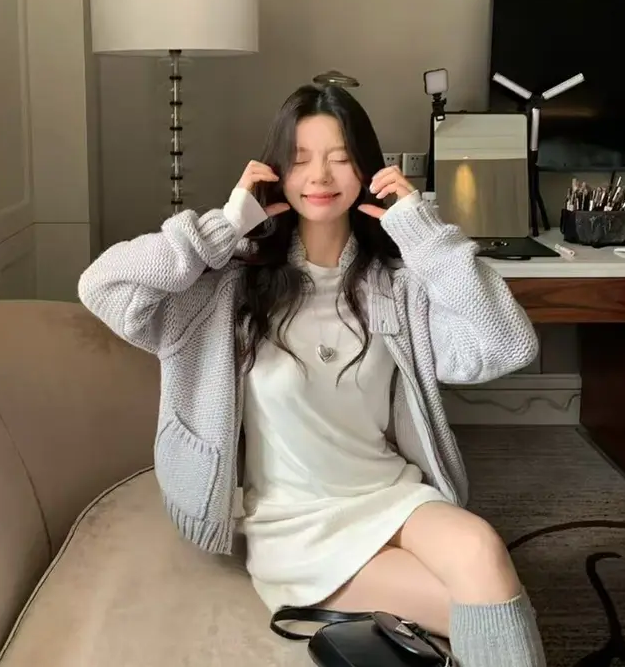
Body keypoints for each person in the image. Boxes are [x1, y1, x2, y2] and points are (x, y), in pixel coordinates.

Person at [78, 84, 546, 667]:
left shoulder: (396, 287)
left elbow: (506, 345)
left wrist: (427, 239)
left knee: (482, 550)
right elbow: (103, 286)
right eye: (299, 159)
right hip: (295, 524)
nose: (320, 176)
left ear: (367, 170)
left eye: (340, 158)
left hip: (391, 493)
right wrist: (223, 227)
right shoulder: (230, 292)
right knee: (490, 609)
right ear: (275, 172)